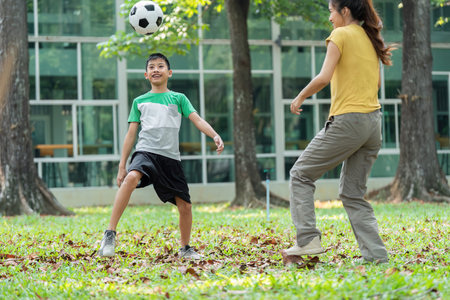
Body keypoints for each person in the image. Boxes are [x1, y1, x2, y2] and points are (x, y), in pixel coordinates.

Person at [281, 0, 393, 264]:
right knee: (353, 193)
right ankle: (376, 255)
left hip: (348, 121)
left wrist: (299, 97)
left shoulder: (340, 35)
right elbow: (376, 82)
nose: (330, 18)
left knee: (300, 174)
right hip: (373, 124)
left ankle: (307, 240)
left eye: (331, 11)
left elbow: (324, 76)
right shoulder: (370, 38)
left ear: (344, 11)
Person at [98, 53, 224, 259]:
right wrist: (122, 166)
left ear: (169, 72)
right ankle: (109, 234)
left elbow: (198, 120)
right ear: (146, 74)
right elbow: (131, 135)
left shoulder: (179, 98)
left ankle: (185, 249)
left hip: (170, 158)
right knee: (131, 177)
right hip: (146, 152)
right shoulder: (139, 101)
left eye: (161, 66)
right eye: (152, 67)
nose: (156, 69)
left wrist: (215, 135)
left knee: (185, 206)